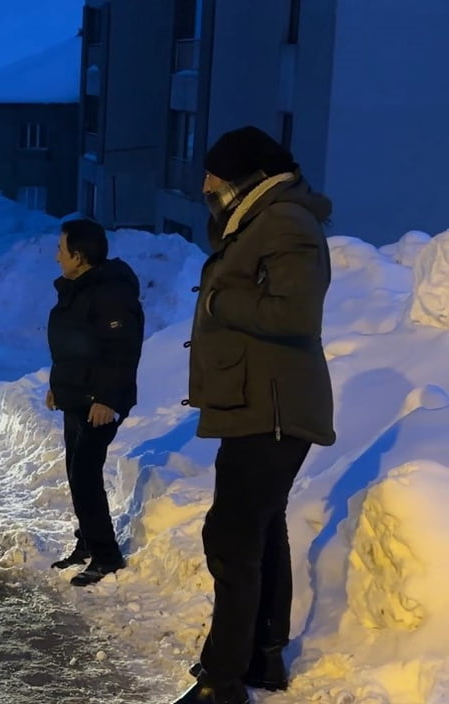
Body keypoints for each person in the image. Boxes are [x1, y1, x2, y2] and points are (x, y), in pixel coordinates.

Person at [173, 125, 335, 704]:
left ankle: (223, 680)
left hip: (272, 406)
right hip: (257, 403)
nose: (205, 185)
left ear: (244, 177)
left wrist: (219, 300)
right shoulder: (259, 222)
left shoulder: (285, 223)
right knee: (258, 531)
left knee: (232, 535)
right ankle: (264, 658)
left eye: (213, 175)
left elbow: (295, 315)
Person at [44, 218, 144, 587]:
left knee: (85, 473)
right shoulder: (78, 289)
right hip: (77, 396)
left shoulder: (110, 292)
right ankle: (87, 542)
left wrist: (107, 399)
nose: (57, 257)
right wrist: (59, 387)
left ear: (79, 255)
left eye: (61, 249)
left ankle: (106, 556)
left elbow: (120, 351)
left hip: (98, 402)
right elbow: (70, 349)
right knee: (76, 470)